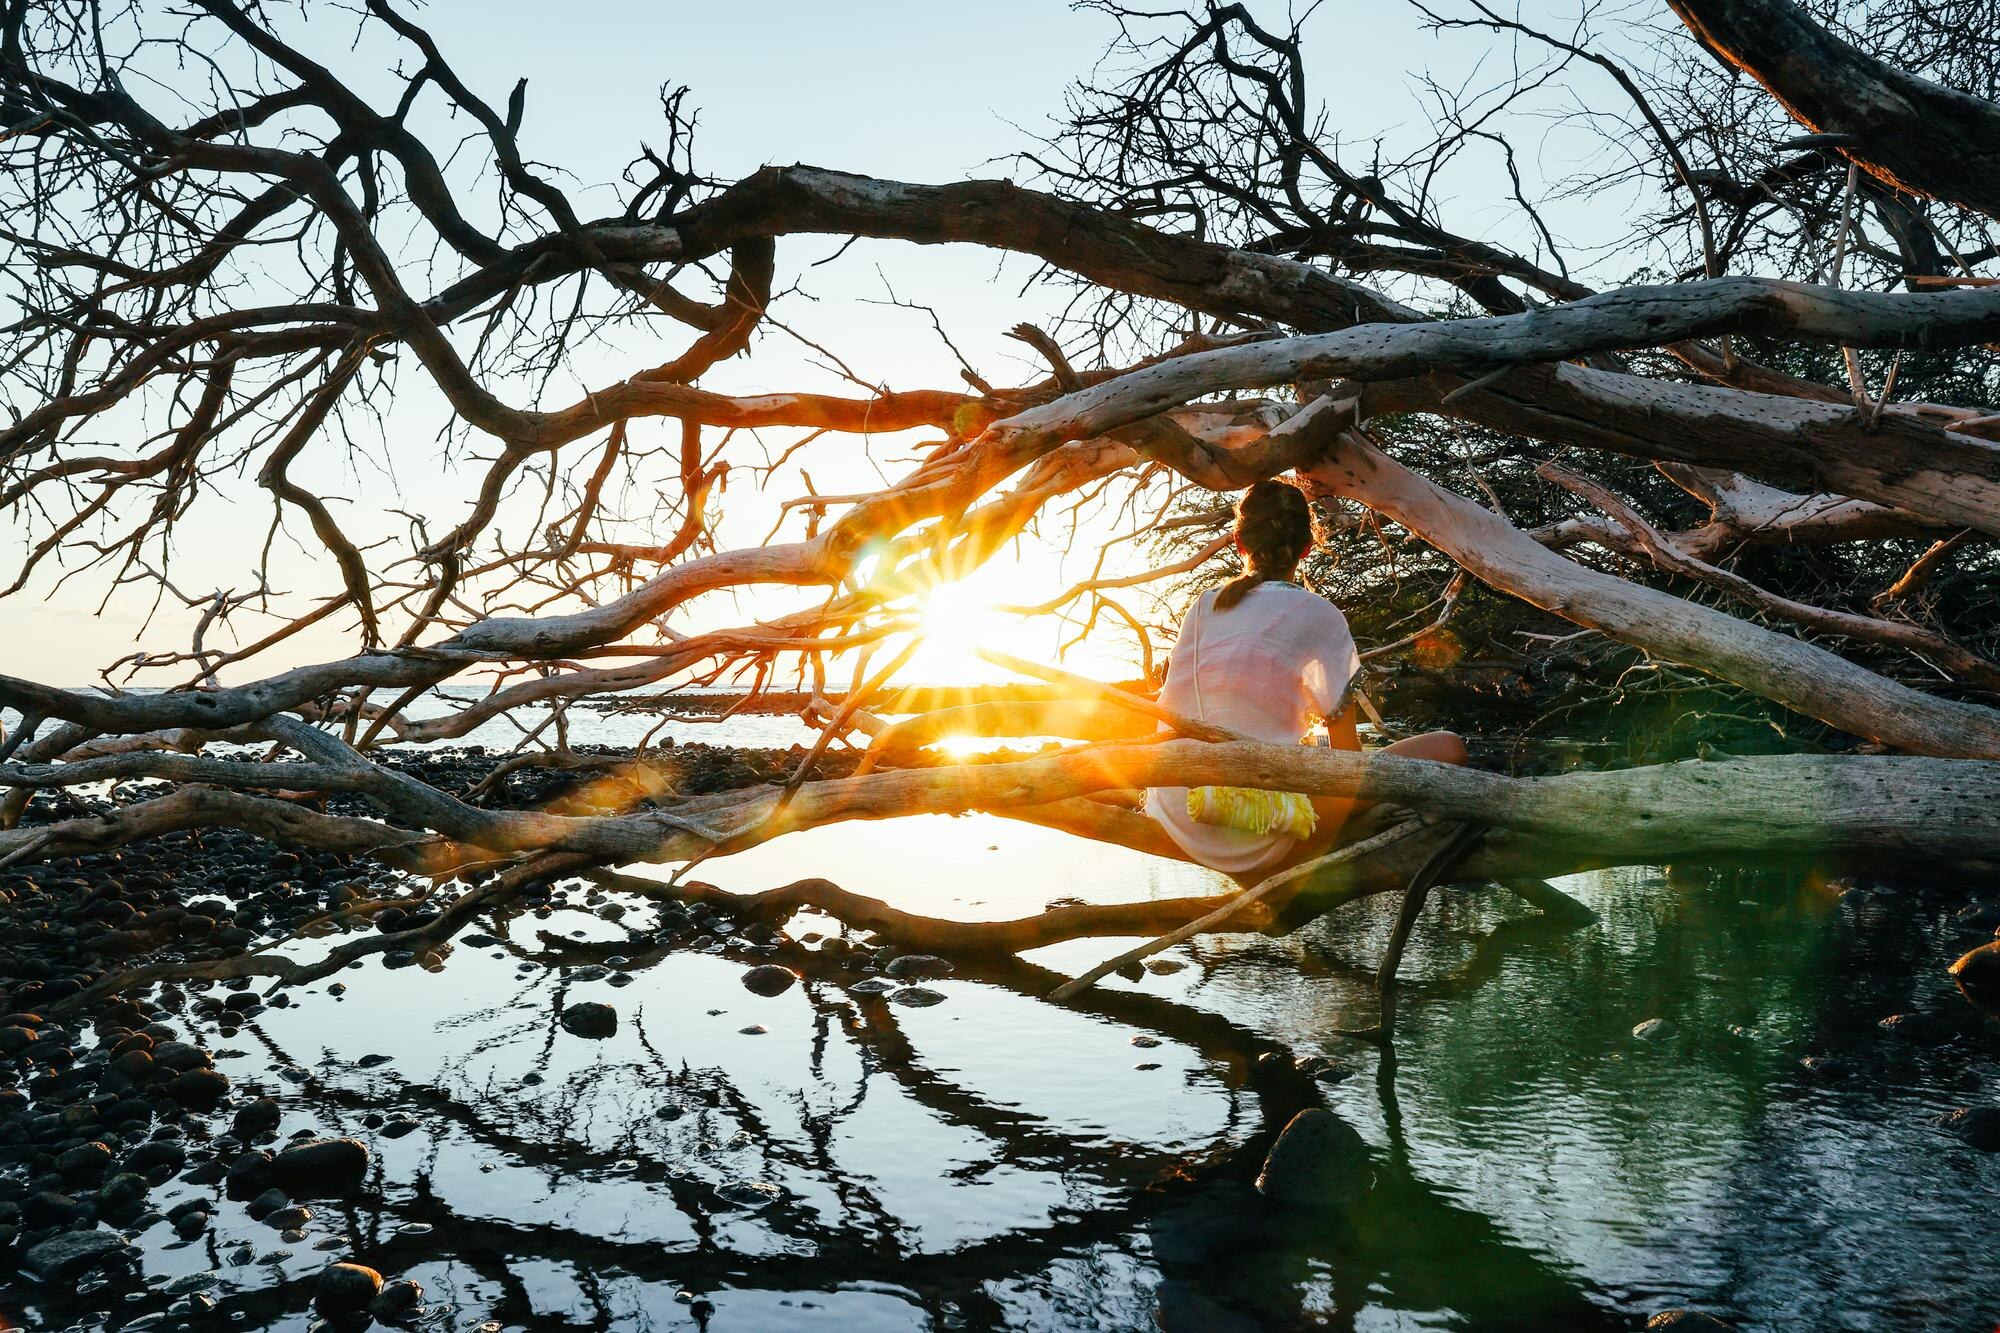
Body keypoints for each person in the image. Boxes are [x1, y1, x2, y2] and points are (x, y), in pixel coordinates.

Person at [1143, 479, 1468, 878]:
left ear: (1239, 543)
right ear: (1307, 548)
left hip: (1180, 812)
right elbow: (1347, 758)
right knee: (1448, 747)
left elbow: (1171, 721)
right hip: (1262, 827)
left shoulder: (1204, 606)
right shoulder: (1319, 613)